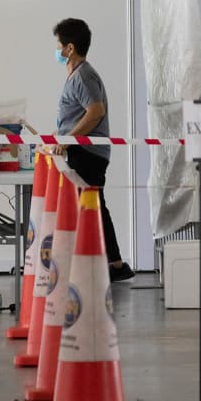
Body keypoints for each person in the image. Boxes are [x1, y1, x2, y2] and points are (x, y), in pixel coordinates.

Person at [51, 18, 134, 282]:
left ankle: (106, 264)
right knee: (93, 206)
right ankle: (113, 264)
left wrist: (69, 139)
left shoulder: (84, 75)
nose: (57, 50)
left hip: (87, 153)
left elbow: (96, 112)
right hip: (83, 151)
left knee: (88, 207)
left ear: (70, 48)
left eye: (59, 45)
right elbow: (78, 114)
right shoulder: (77, 76)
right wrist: (60, 135)